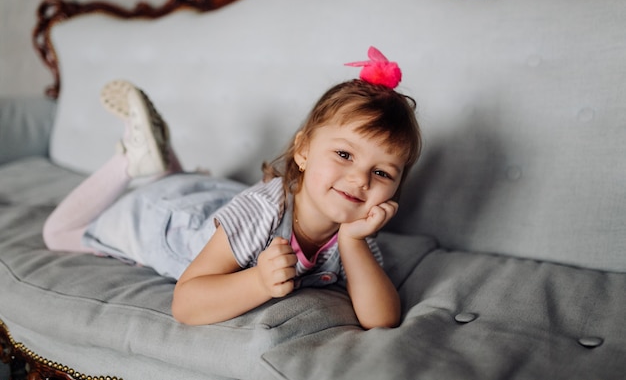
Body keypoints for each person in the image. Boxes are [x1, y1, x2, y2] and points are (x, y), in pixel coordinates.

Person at [43, 46, 422, 329]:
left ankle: (164, 164)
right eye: (344, 154)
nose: (360, 180)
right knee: (58, 232)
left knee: (186, 188)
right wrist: (258, 281)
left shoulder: (356, 234)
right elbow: (187, 303)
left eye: (383, 173)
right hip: (169, 221)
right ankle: (130, 162)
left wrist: (354, 243)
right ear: (303, 150)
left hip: (214, 198)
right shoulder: (260, 212)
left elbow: (381, 319)